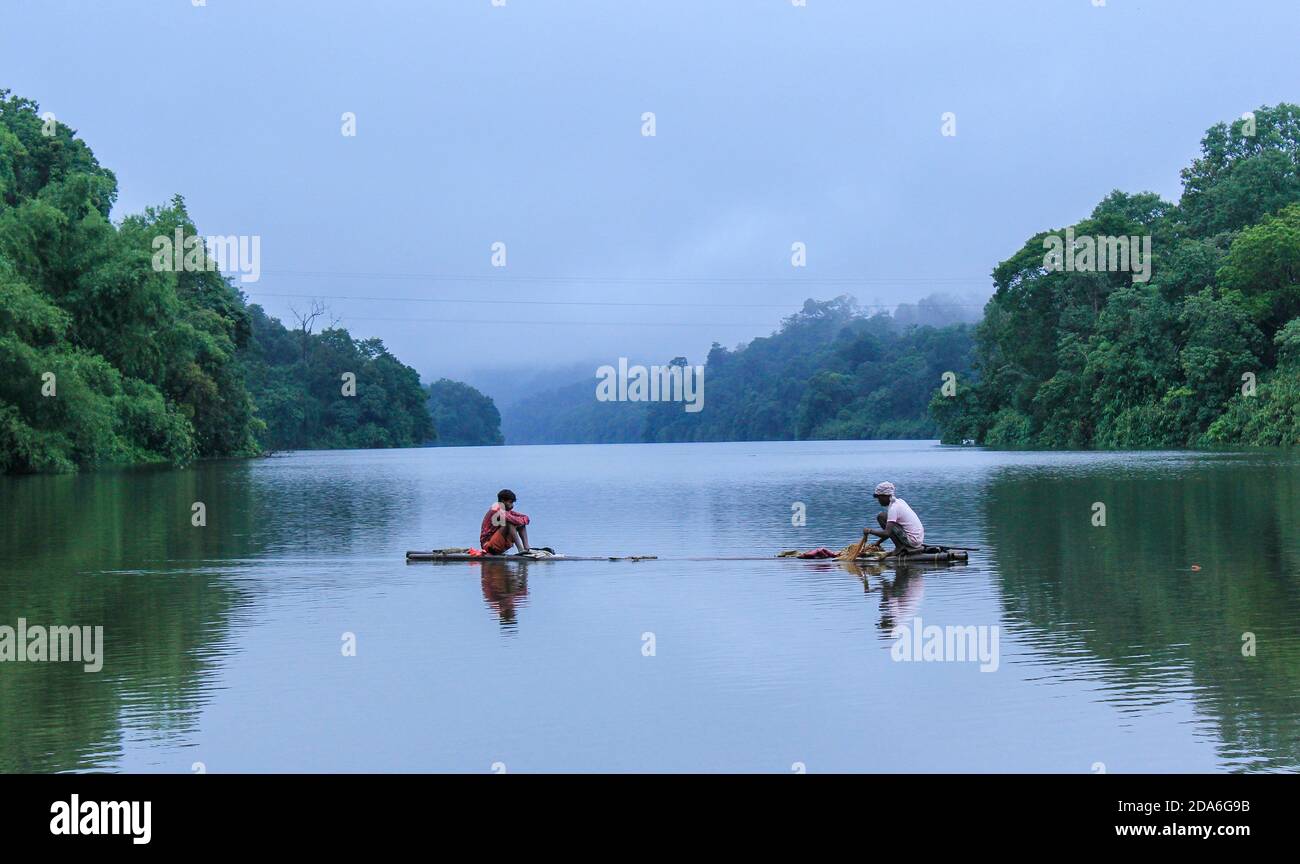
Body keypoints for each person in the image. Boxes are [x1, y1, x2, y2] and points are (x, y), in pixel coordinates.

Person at [863, 481, 925, 557]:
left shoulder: (893, 508)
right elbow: (891, 531)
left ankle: (899, 548)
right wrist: (878, 543)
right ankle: (900, 546)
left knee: (881, 517)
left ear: (885, 496)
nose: (879, 501)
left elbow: (887, 533)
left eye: (879, 498)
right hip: (917, 539)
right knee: (884, 517)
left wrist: (869, 531)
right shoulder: (900, 502)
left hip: (912, 541)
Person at [480, 489, 531, 555]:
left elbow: (525, 517)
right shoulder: (496, 509)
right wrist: (521, 521)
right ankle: (520, 549)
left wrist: (522, 521)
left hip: (498, 543)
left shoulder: (505, 510)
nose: (512, 505)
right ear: (502, 501)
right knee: (509, 523)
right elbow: (512, 519)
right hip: (488, 546)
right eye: (510, 502)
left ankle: (526, 548)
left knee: (521, 524)